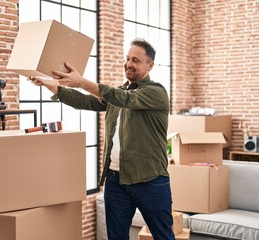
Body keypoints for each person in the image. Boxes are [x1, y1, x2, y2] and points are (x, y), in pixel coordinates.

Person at [28, 38, 175, 240]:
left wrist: (81, 82)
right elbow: (86, 101)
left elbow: (124, 99)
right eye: (127, 58)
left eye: (136, 60)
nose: (129, 64)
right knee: (115, 237)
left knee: (163, 236)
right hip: (115, 180)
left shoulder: (156, 92)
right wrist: (53, 86)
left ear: (150, 65)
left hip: (150, 180)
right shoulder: (120, 92)